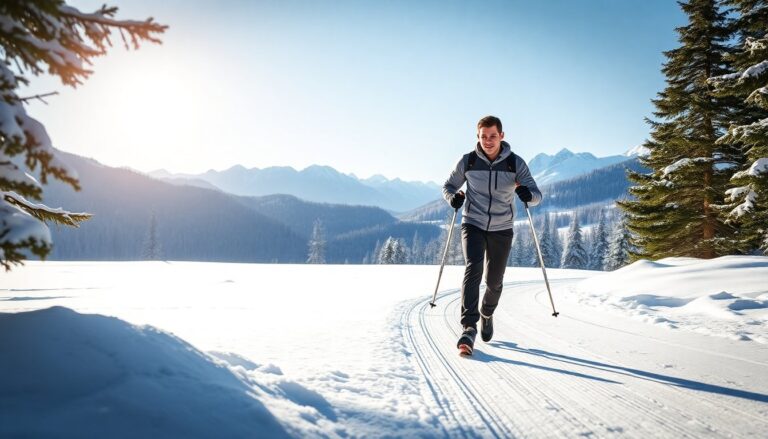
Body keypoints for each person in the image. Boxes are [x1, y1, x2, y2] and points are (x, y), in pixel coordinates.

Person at [442, 115, 542, 355]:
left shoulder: (514, 164)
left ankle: (487, 312)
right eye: (483, 136)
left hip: (502, 227)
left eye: (493, 136)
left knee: (494, 281)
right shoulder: (467, 162)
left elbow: (537, 194)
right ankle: (468, 327)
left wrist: (529, 195)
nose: (488, 141)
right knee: (473, 267)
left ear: (502, 136)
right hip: (473, 223)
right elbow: (448, 187)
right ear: (478, 137)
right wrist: (452, 198)